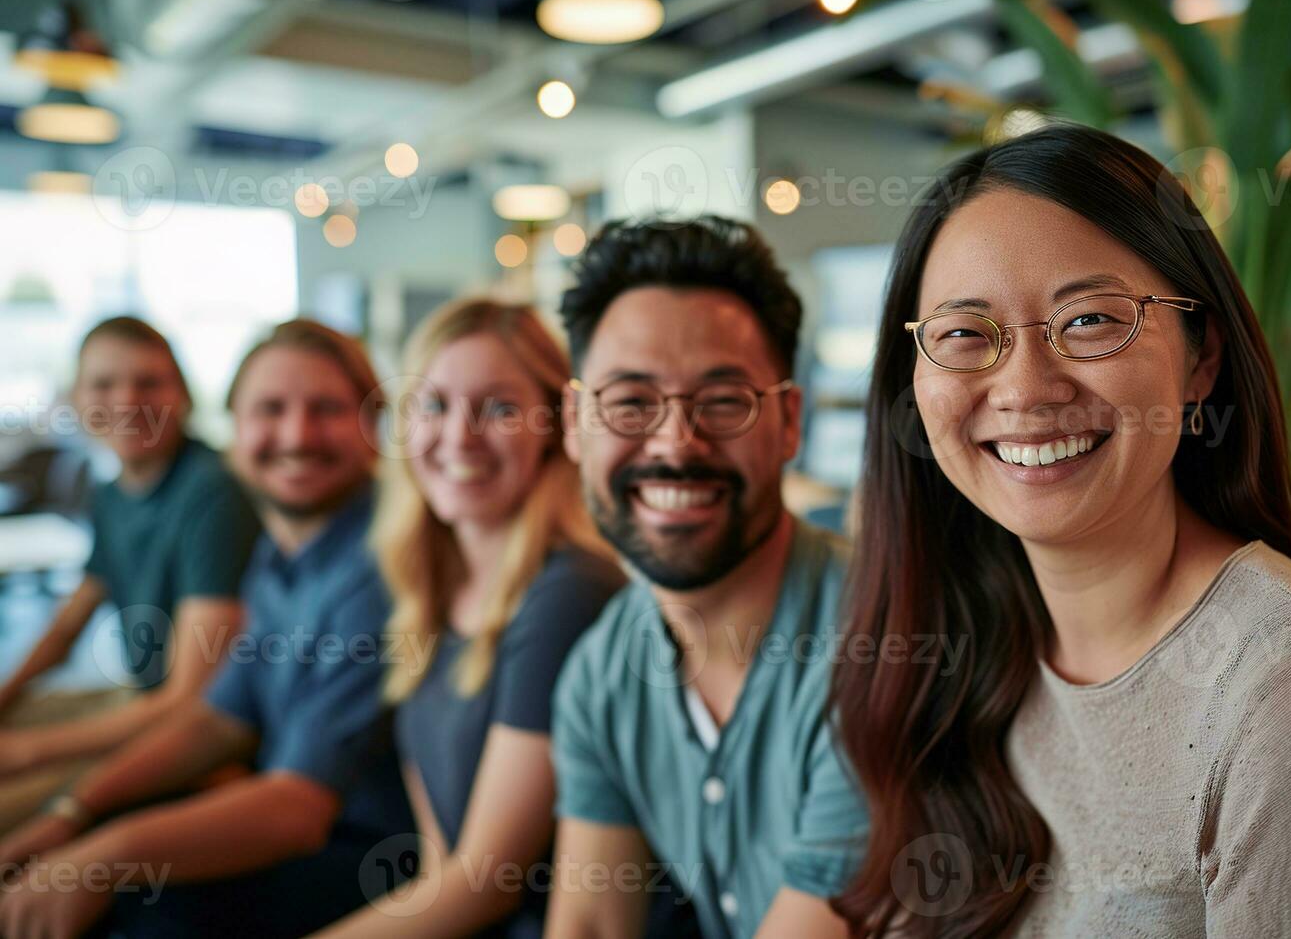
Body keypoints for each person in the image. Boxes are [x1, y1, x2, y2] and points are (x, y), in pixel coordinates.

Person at [832, 124, 1291, 937]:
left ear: (1200, 360)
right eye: (964, 334)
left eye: (1093, 320)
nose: (1025, 387)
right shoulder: (953, 646)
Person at [0, 319, 415, 938]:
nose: (297, 436)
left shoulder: (380, 559)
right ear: (235, 425)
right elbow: (217, 718)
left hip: (373, 853)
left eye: (327, 409)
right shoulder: (283, 553)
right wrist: (74, 812)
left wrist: (100, 856)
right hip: (292, 806)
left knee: (134, 910)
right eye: (271, 409)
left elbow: (297, 807)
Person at [545, 216, 868, 939]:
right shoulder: (601, 672)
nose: (675, 444)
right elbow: (591, 922)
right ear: (574, 422)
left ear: (789, 421)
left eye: (722, 401)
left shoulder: (882, 640)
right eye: (630, 402)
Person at [311, 297, 625, 938]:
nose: (459, 437)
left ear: (554, 426)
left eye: (500, 408)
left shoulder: (567, 592)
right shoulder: (430, 592)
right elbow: (440, 867)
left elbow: (486, 882)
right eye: (434, 404)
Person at [0, 316, 258, 832]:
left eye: (148, 382)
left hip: (196, 731)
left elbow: (190, 700)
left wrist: (26, 751)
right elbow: (69, 622)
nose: (125, 401)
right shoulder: (113, 492)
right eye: (103, 384)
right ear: (75, 398)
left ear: (182, 395)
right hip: (142, 702)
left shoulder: (211, 494)